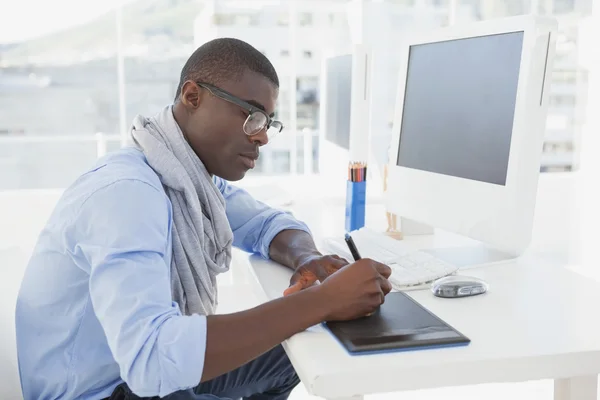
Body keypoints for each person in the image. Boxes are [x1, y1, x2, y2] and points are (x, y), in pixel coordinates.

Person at [15, 38, 392, 400]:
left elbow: (267, 224)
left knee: (298, 351)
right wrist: (322, 301)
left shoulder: (188, 182)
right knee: (303, 324)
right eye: (252, 115)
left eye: (268, 123)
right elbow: (150, 361)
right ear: (193, 97)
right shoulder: (128, 193)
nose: (261, 137)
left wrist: (307, 259)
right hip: (106, 391)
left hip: (138, 374)